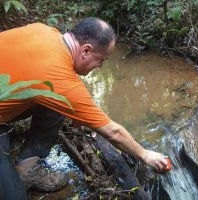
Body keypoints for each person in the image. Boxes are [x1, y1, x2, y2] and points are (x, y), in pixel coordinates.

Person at [0, 17, 167, 199]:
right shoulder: (59, 77)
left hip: (5, 92)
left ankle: (28, 165)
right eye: (101, 60)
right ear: (86, 50)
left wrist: (79, 112)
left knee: (58, 104)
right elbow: (113, 132)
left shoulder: (44, 31)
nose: (101, 66)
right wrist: (145, 154)